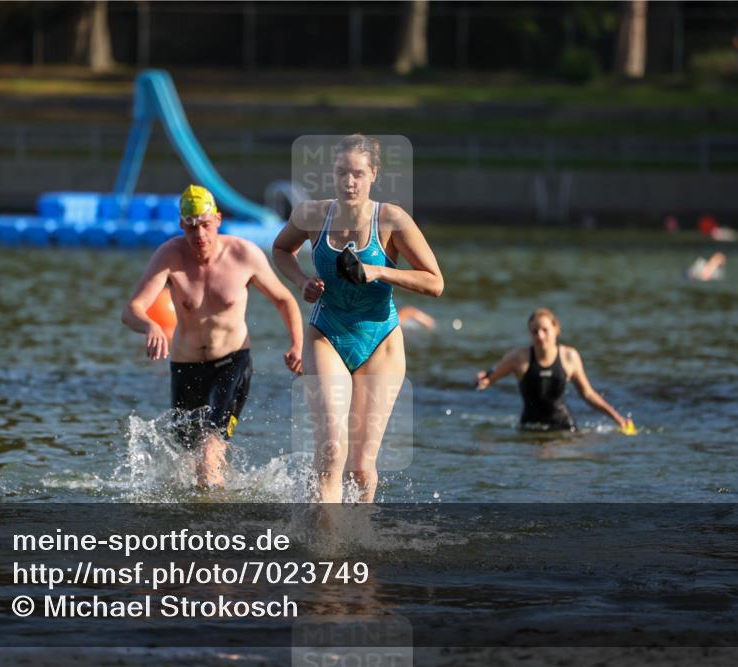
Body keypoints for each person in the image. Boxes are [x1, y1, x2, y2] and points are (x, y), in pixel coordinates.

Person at [272, 134, 444, 503]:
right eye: (341, 173)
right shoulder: (311, 215)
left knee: (361, 466)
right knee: (332, 450)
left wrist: (380, 272)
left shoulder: (392, 220)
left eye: (358, 174)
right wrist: (302, 281)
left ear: (373, 175)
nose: (349, 182)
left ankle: (359, 541)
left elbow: (435, 283)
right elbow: (281, 249)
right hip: (326, 334)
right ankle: (328, 548)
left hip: (380, 340)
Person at [122, 185, 303, 488]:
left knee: (208, 455)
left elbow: (284, 299)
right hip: (186, 367)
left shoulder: (244, 254)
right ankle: (227, 496)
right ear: (182, 225)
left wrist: (297, 344)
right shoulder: (170, 256)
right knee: (187, 465)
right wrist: (150, 326)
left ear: (218, 219)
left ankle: (216, 528)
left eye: (206, 225)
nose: (200, 235)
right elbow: (132, 309)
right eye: (191, 227)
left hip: (232, 364)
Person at [474, 308, 631, 433]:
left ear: (556, 329)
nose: (540, 336)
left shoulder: (569, 357)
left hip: (564, 428)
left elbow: (588, 394)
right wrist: (482, 380)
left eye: (544, 330)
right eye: (535, 332)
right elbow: (489, 378)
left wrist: (618, 419)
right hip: (530, 429)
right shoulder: (518, 357)